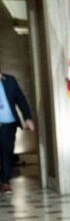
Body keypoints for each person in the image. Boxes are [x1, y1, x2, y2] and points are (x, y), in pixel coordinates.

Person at [0, 66, 34, 195]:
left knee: (7, 153)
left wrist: (27, 118)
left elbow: (21, 100)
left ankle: (5, 182)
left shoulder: (10, 81)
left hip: (9, 124)